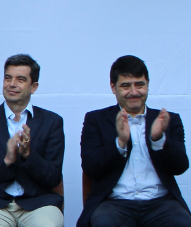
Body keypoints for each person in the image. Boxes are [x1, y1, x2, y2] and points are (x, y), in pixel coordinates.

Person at [77, 55, 191, 227]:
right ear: (113, 87)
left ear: (147, 85)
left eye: (139, 84)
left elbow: (180, 166)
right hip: (114, 203)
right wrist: (120, 143)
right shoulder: (96, 119)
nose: (134, 92)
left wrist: (159, 139)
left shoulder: (169, 119)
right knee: (104, 223)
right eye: (125, 86)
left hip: (161, 203)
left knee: (182, 223)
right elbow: (90, 168)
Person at [0, 54, 64, 227]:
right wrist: (7, 161)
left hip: (38, 204)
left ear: (33, 87)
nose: (12, 84)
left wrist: (28, 155)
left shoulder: (52, 122)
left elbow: (54, 178)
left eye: (20, 79)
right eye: (7, 78)